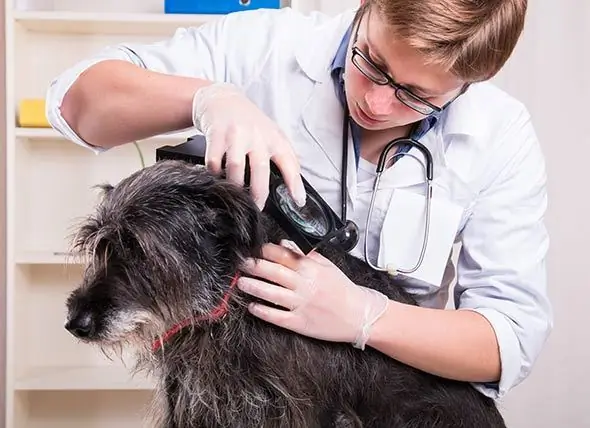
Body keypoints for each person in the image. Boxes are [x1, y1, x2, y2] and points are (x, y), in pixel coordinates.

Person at [46, 0, 552, 400]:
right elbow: (77, 103)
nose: (377, 103)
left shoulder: (500, 135)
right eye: (371, 63)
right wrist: (208, 98)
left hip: (389, 404)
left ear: (467, 86)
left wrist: (366, 317)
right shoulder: (266, 46)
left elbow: (508, 341)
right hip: (241, 389)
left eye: (416, 96)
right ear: (365, 5)